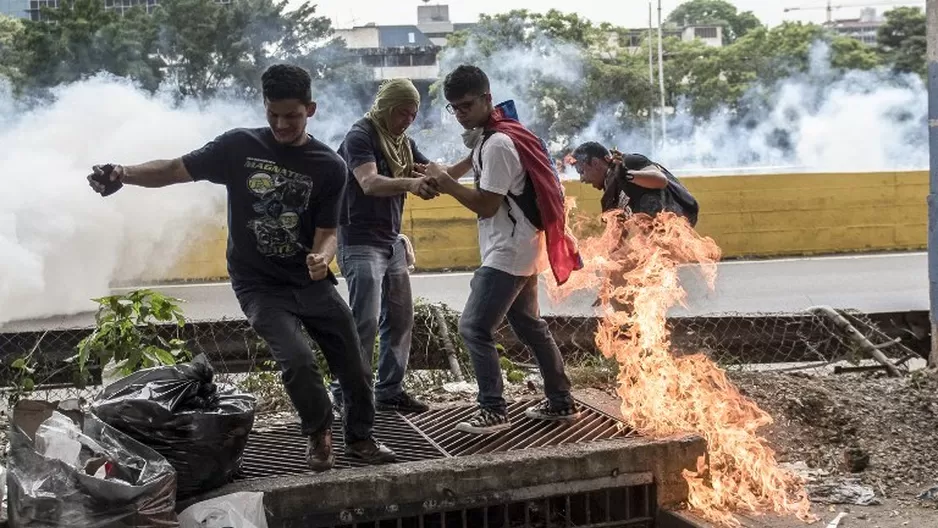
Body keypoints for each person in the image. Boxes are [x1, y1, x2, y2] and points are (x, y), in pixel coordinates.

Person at [87, 63, 396, 472]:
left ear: (311, 110)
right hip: (259, 285)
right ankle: (319, 433)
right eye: (274, 115)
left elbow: (328, 231)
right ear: (265, 108)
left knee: (354, 364)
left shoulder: (329, 165)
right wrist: (124, 173)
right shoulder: (238, 147)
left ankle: (360, 440)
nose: (283, 125)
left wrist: (323, 257)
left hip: (310, 281)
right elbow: (174, 169)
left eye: (293, 116)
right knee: (298, 360)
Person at [424, 64, 582, 435]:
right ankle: (561, 401)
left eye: (466, 106)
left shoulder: (498, 143)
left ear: (486, 99)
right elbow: (468, 166)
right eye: (454, 108)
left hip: (509, 252)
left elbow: (486, 204)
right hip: (524, 247)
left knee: (474, 327)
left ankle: (493, 409)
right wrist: (439, 174)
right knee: (530, 325)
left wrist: (447, 184)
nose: (460, 114)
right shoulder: (489, 135)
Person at [331, 78, 435, 414]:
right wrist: (412, 183)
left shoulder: (402, 142)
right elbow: (369, 182)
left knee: (402, 317)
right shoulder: (360, 136)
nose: (408, 120)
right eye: (402, 113)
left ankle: (389, 390)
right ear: (386, 108)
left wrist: (473, 156)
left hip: (391, 242)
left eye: (413, 114)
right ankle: (346, 391)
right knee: (365, 321)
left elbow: (432, 171)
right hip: (359, 242)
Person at [570, 141, 699, 226]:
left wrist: (626, 175)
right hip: (658, 237)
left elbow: (660, 180)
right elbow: (617, 236)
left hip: (680, 212)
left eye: (582, 171)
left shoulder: (628, 161)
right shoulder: (609, 199)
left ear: (595, 163)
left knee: (646, 203)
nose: (582, 179)